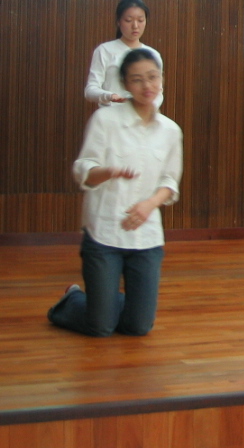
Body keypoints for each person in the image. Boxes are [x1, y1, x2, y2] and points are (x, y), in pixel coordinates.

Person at [48, 48, 182, 336]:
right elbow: (83, 170)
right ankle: (74, 298)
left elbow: (170, 181)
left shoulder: (170, 130)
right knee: (100, 326)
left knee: (138, 327)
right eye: (137, 80)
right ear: (125, 84)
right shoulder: (105, 120)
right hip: (104, 234)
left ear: (161, 79)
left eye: (152, 77)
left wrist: (150, 204)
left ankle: (107, 303)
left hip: (146, 237)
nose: (147, 85)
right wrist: (108, 171)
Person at [85, 0, 163, 108]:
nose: (135, 26)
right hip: (111, 115)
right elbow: (90, 90)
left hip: (140, 117)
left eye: (140, 20)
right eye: (128, 20)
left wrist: (147, 109)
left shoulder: (153, 54)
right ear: (118, 22)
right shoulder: (104, 50)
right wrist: (110, 96)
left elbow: (158, 92)